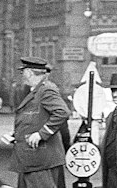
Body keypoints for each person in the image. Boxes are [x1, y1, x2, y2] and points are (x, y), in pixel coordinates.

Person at [8, 57, 70, 187]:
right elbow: (35, 119)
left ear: (29, 72)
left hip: (40, 161)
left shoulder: (46, 90)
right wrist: (16, 135)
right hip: (33, 159)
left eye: (23, 71)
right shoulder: (36, 90)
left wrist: (42, 134)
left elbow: (62, 112)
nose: (22, 75)